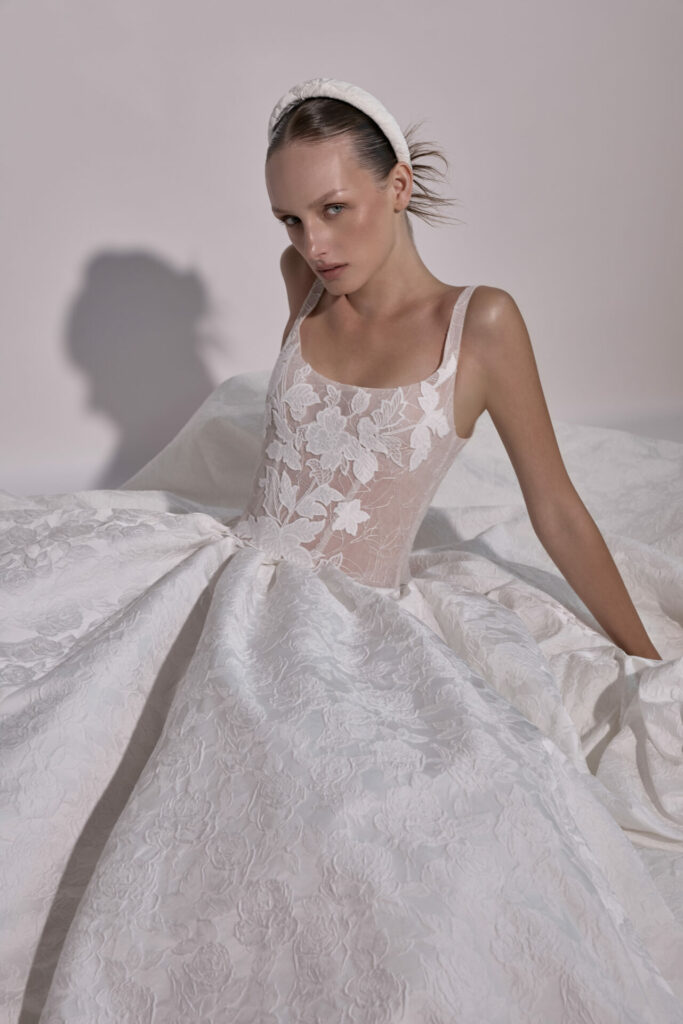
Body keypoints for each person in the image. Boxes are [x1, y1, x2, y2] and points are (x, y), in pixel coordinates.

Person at [2, 77, 682, 1023]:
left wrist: (644, 652)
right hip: (222, 573)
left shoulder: (478, 324)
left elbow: (554, 506)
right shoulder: (305, 286)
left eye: (333, 210)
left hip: (354, 624)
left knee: (350, 839)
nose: (313, 246)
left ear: (398, 187)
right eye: (288, 220)